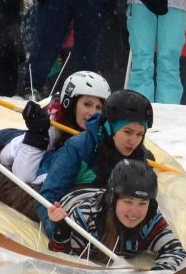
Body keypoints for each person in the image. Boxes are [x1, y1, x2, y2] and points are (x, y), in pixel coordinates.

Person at [0, 70, 107, 217]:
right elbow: (22, 177)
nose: (93, 112)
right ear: (70, 103)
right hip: (5, 145)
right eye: (87, 104)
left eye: (99, 107)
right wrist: (37, 136)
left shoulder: (96, 139)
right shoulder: (53, 128)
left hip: (25, 152)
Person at [38, 87, 156, 233]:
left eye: (140, 134)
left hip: (100, 216)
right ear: (109, 127)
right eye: (127, 132)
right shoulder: (79, 146)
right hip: (62, 202)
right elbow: (48, 196)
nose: (133, 141)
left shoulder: (139, 156)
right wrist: (57, 232)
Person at [46, 159, 185, 271]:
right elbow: (64, 259)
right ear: (113, 200)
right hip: (72, 197)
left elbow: (175, 251)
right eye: (128, 202)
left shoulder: (150, 218)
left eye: (142, 203)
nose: (135, 212)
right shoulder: (85, 216)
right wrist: (62, 231)